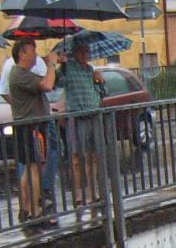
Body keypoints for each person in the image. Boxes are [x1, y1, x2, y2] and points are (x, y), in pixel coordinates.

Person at [8, 39, 59, 226]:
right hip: (31, 128)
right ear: (22, 54)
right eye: (32, 51)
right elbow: (47, 85)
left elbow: (50, 82)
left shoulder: (25, 74)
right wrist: (52, 64)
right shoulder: (20, 74)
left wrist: (53, 66)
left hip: (30, 126)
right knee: (36, 167)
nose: (36, 55)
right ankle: (36, 211)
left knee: (30, 168)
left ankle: (26, 208)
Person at [56, 41, 105, 208]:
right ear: (75, 53)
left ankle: (93, 192)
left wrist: (100, 82)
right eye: (82, 51)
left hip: (92, 115)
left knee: (93, 156)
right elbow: (58, 83)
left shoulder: (91, 70)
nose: (85, 55)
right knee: (76, 157)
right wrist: (61, 65)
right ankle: (78, 194)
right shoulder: (68, 68)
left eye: (87, 52)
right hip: (77, 116)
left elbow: (101, 93)